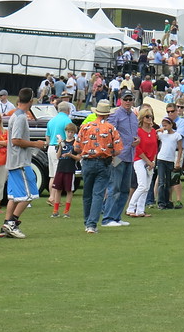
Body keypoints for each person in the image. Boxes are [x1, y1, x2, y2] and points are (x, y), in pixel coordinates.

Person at [0, 88, 46, 239]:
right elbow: (16, 140)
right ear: (31, 101)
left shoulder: (16, 115)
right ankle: (11, 224)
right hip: (20, 162)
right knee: (30, 194)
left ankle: (6, 224)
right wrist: (35, 144)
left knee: (14, 197)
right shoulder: (20, 117)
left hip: (14, 162)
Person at [75, 99, 123, 233]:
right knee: (98, 194)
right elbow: (119, 149)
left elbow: (77, 147)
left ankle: (87, 222)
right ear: (108, 114)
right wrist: (109, 152)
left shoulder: (85, 127)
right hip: (103, 162)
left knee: (87, 194)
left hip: (87, 162)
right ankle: (92, 224)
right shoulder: (110, 128)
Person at [102, 91, 138, 227]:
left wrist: (137, 140)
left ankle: (116, 217)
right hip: (118, 156)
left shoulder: (134, 116)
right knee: (114, 187)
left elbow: (134, 134)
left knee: (124, 189)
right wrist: (112, 152)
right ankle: (107, 218)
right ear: (120, 100)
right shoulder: (116, 114)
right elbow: (108, 133)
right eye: (126, 99)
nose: (128, 102)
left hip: (130, 155)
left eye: (130, 99)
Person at [126, 109, 157, 217]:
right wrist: (148, 161)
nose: (149, 119)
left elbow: (155, 147)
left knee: (147, 187)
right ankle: (131, 207)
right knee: (142, 185)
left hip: (150, 161)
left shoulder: (153, 131)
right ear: (142, 118)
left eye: (151, 116)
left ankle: (140, 210)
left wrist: (152, 161)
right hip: (139, 160)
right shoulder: (138, 131)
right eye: (147, 116)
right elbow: (138, 149)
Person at [154, 115, 183, 210]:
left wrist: (177, 161)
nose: (164, 127)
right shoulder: (162, 135)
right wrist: (159, 130)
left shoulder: (176, 135)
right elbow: (154, 135)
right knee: (162, 181)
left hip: (170, 160)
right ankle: (161, 202)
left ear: (171, 125)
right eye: (163, 125)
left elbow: (179, 149)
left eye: (166, 125)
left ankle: (167, 201)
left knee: (168, 182)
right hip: (161, 159)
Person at [50, 122, 79, 218]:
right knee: (58, 189)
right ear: (65, 132)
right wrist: (59, 146)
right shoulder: (63, 142)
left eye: (71, 132)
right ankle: (55, 210)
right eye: (68, 132)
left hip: (70, 169)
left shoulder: (75, 143)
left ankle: (66, 211)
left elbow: (79, 158)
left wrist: (70, 155)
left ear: (74, 133)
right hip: (60, 168)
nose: (69, 134)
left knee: (69, 190)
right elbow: (58, 156)